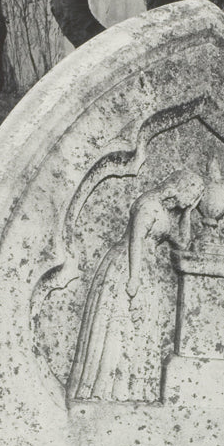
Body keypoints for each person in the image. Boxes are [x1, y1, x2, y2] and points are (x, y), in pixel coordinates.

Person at [67, 169, 205, 403]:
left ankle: (130, 391)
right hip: (128, 266)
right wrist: (133, 279)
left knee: (139, 328)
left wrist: (188, 213)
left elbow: (182, 243)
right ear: (180, 187)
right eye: (192, 195)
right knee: (119, 325)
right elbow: (136, 241)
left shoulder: (165, 211)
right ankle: (104, 390)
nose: (192, 200)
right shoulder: (148, 204)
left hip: (146, 268)